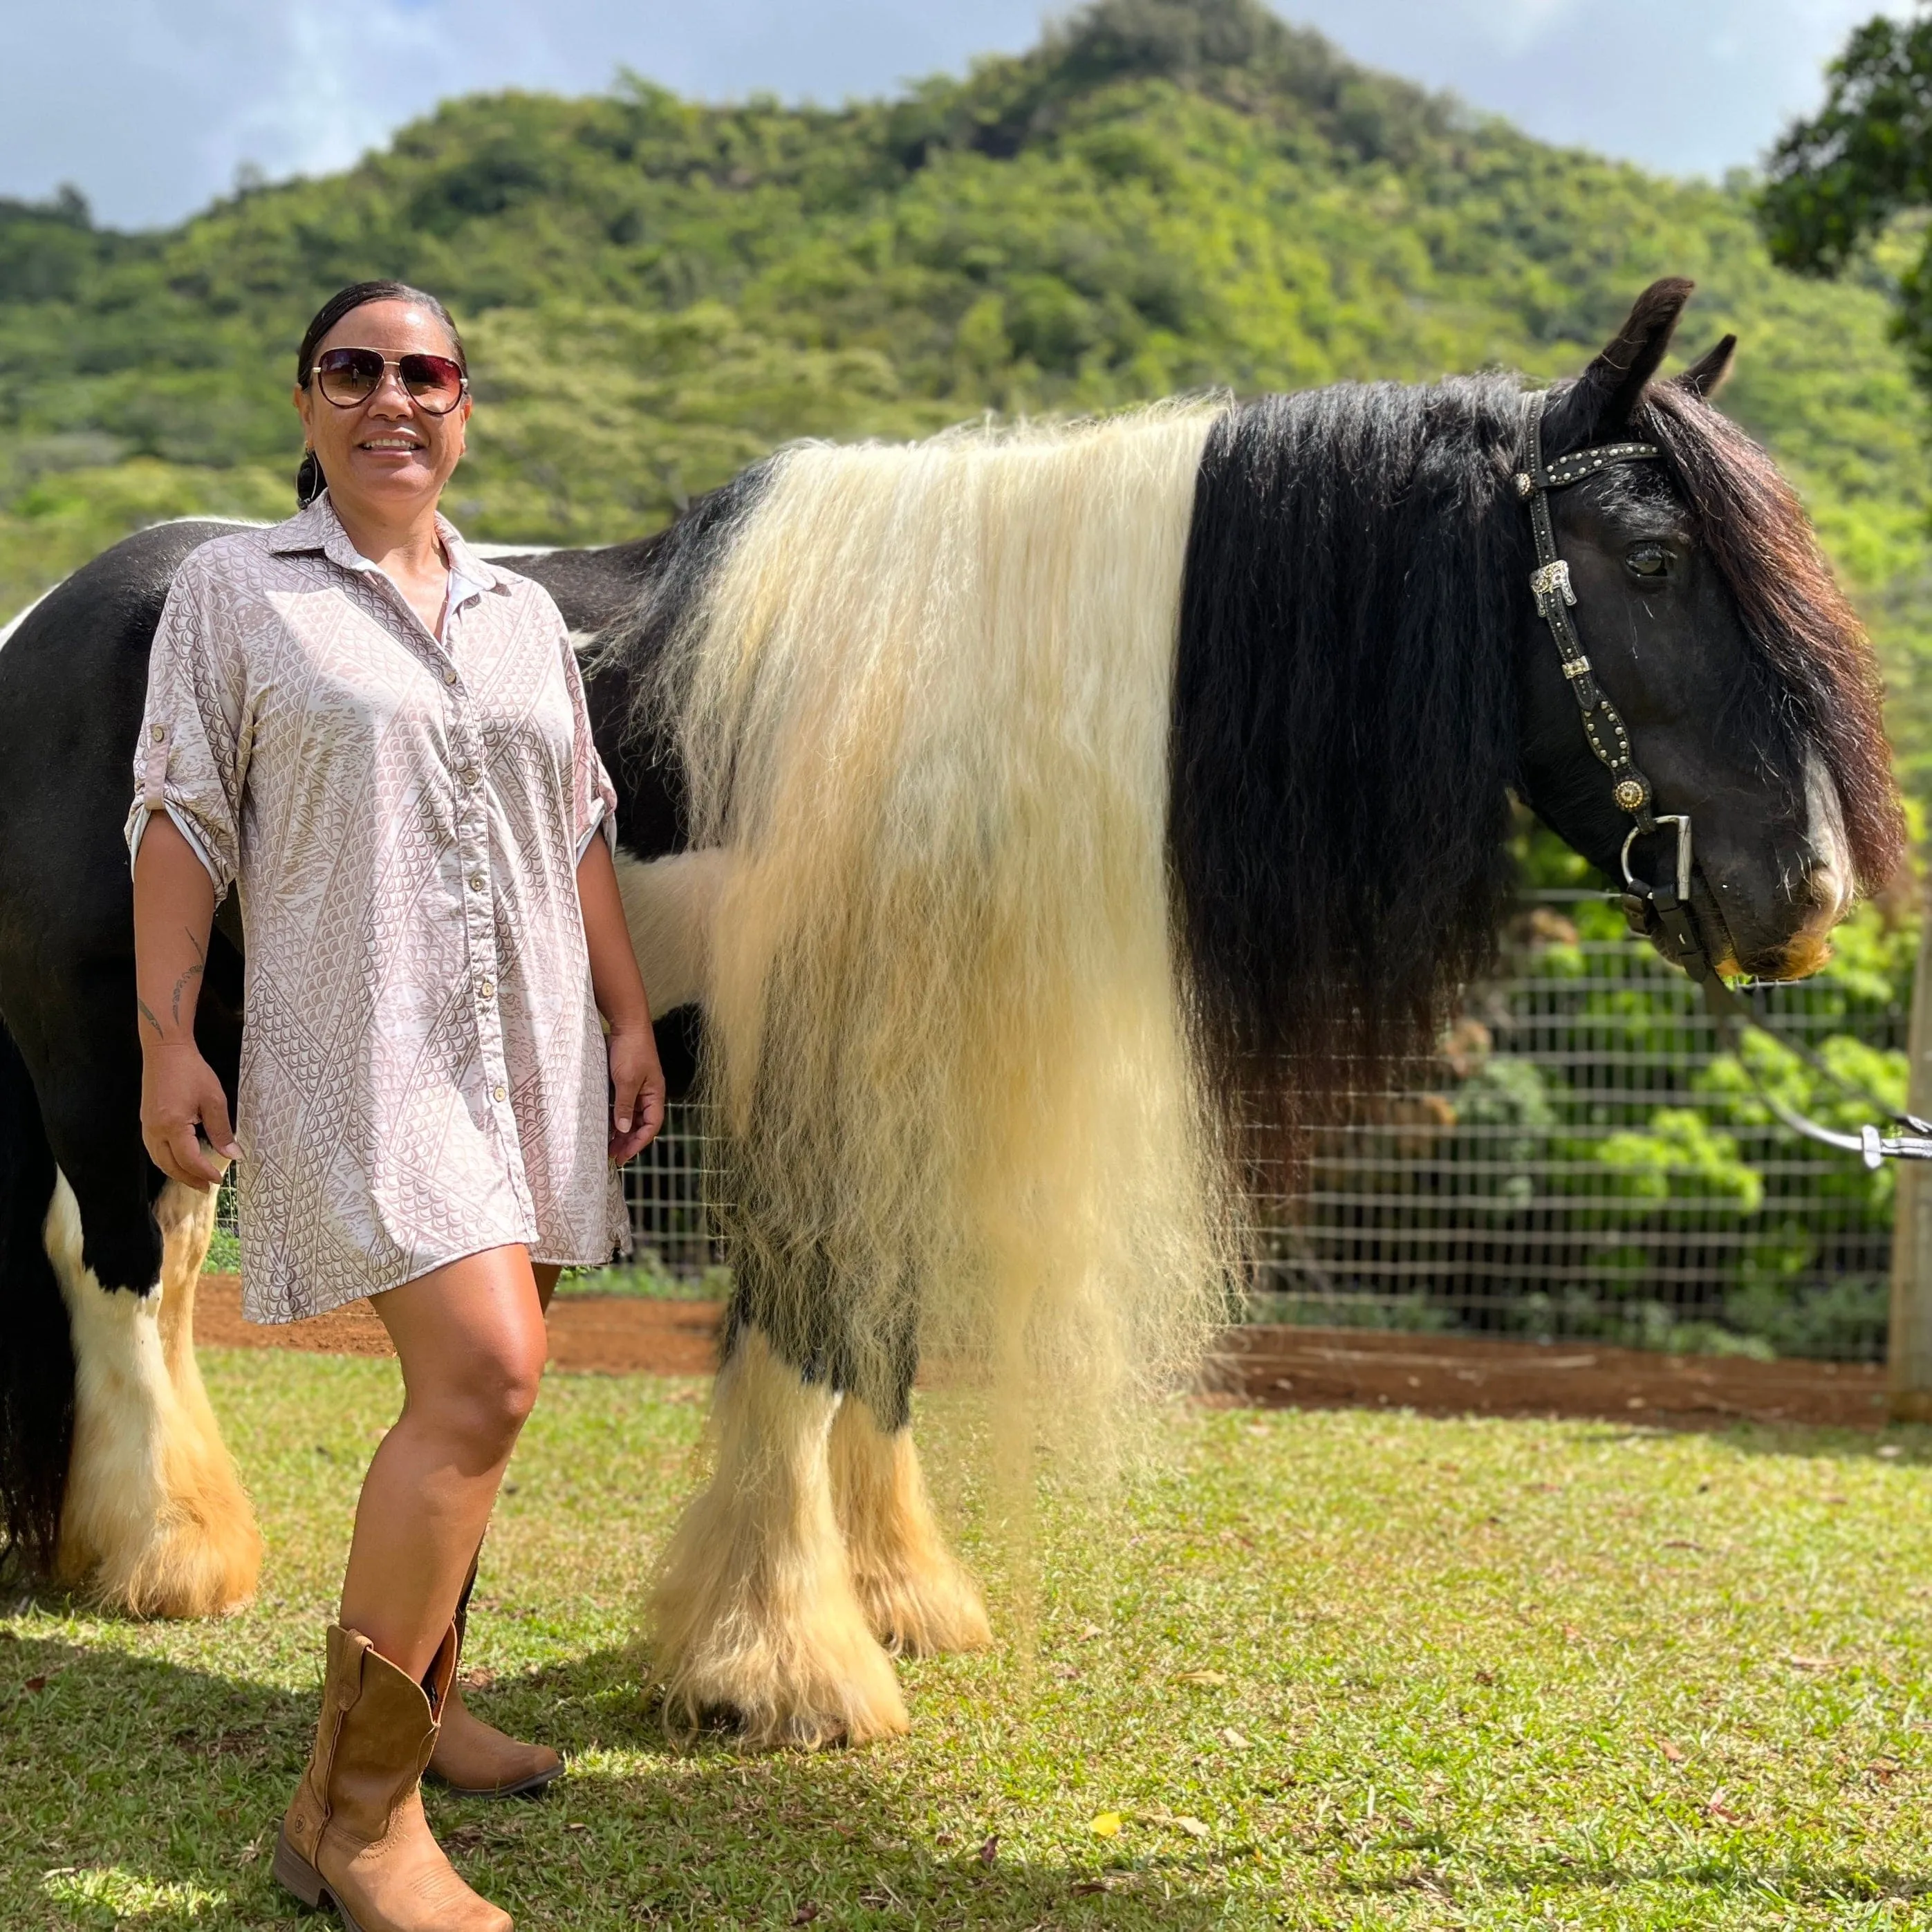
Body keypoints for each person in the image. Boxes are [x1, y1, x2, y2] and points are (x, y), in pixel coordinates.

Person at [129, 279, 663, 1932]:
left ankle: (421, 1709)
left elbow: (576, 817)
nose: (392, 398)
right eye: (353, 371)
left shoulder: (518, 611)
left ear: (462, 406)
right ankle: (352, 1822)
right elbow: (180, 814)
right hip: (362, 1049)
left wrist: (630, 1012)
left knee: (492, 1390)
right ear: (306, 405)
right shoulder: (235, 590)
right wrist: (166, 1035)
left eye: (423, 373)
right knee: (486, 1376)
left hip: (534, 1050)